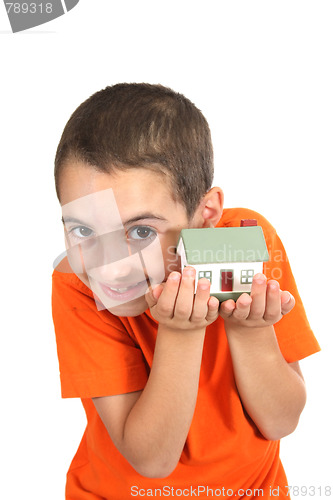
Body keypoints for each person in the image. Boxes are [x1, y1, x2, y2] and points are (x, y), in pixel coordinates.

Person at [52, 83, 320, 500]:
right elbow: (152, 460)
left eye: (141, 231)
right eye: (84, 230)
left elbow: (281, 421)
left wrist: (251, 331)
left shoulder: (244, 241)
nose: (111, 264)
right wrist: (180, 332)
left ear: (206, 214)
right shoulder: (78, 284)